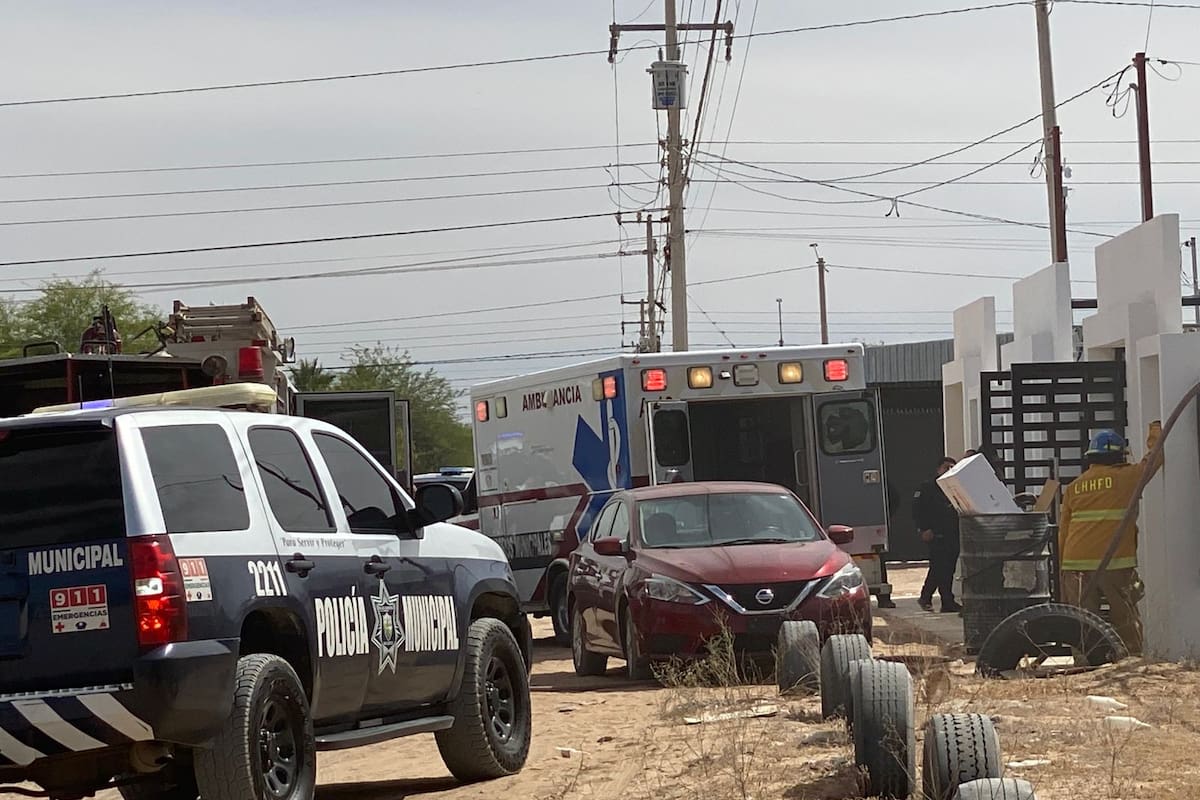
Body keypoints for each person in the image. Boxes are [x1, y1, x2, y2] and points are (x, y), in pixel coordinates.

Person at [1058, 422, 1163, 655]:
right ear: (1118, 456)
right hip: (1115, 563)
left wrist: (1063, 572)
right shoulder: (1128, 477)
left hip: (1075, 566)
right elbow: (1154, 460)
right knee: (1124, 616)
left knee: (1083, 623)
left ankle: (1086, 664)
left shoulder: (1074, 487)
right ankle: (1130, 658)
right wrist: (1156, 431)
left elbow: (1063, 532)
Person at [913, 456, 962, 613]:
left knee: (943, 569)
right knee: (941, 568)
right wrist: (923, 528)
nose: (948, 470)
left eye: (952, 467)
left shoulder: (955, 486)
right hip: (935, 533)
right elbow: (918, 510)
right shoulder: (928, 487)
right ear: (938, 469)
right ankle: (946, 601)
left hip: (953, 533)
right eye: (945, 467)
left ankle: (926, 596)